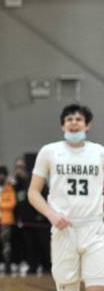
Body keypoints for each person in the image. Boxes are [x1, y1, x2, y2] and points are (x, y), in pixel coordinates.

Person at [28, 103, 104, 291]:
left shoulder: (100, 152)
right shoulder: (49, 151)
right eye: (69, 119)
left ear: (87, 125)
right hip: (63, 228)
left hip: (94, 228)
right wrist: (51, 214)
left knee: (98, 285)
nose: (74, 123)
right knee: (68, 287)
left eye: (79, 119)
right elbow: (33, 192)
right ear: (63, 126)